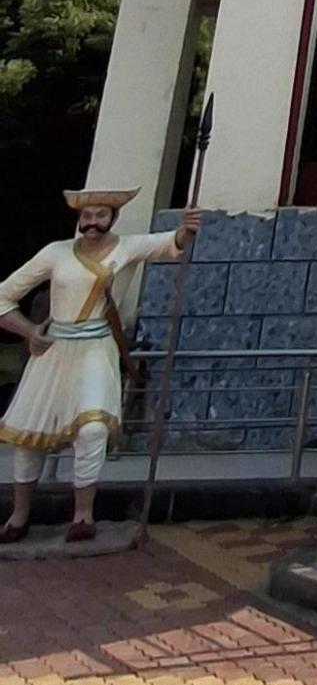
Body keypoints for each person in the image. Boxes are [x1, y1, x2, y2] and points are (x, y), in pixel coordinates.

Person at [0, 188, 200, 542]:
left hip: (95, 348)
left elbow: (171, 244)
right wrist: (30, 331)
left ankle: (82, 515)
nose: (92, 223)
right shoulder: (55, 252)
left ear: (113, 218)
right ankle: (18, 517)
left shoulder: (128, 248)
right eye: (87, 216)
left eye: (100, 216)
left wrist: (186, 227)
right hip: (54, 350)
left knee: (92, 429)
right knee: (29, 437)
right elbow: (4, 295)